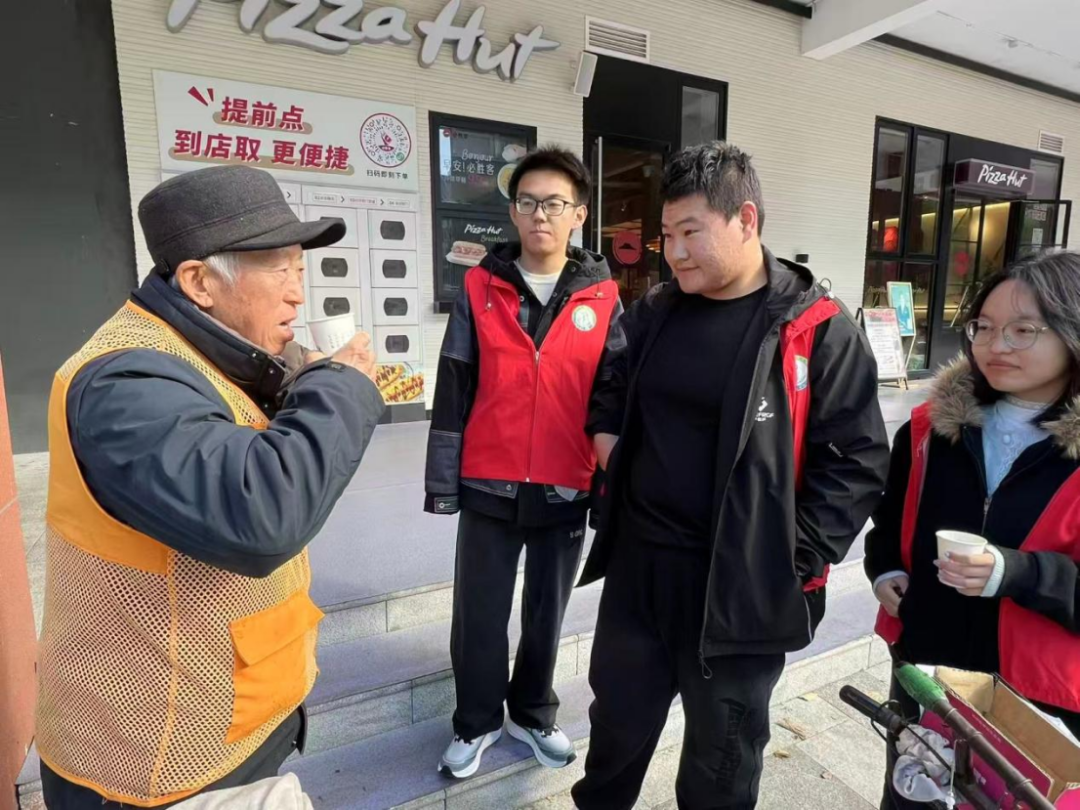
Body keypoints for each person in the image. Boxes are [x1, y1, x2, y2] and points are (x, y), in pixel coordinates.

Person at [36, 165, 386, 809]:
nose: (298, 295)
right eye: (279, 270)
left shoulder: (204, 352)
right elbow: (262, 513)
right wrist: (342, 387)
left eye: (300, 269)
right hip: (155, 754)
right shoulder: (125, 383)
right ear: (199, 282)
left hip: (230, 714)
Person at [572, 141, 891, 810]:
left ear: (745, 220)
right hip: (640, 571)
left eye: (691, 232)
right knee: (615, 735)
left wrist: (791, 556)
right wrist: (607, 443)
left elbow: (857, 461)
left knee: (721, 762)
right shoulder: (656, 311)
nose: (674, 252)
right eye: (666, 235)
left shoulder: (816, 328)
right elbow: (611, 383)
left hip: (741, 588)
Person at [424, 146, 620, 778]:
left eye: (555, 203)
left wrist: (612, 484)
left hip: (566, 484)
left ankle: (532, 713)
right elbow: (454, 383)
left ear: (578, 215)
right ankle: (476, 720)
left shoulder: (604, 298)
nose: (540, 214)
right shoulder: (478, 288)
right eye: (529, 202)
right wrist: (443, 483)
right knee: (479, 612)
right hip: (489, 480)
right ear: (513, 211)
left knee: (546, 611)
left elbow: (612, 394)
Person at [867, 252, 1080, 809]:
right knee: (912, 794)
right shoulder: (931, 428)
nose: (995, 345)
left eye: (1023, 330)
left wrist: (1018, 573)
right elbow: (890, 519)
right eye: (983, 327)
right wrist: (884, 570)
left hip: (1042, 700)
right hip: (929, 671)